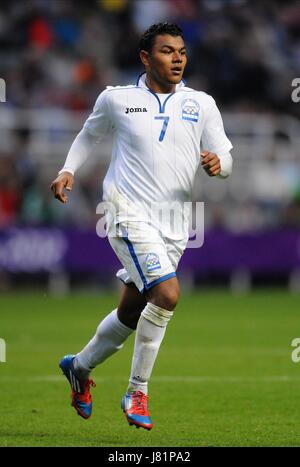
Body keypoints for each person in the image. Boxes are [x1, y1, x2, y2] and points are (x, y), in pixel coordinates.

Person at [50, 22, 233, 431]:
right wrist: (67, 170)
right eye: (167, 51)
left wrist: (220, 167)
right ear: (146, 58)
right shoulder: (117, 99)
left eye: (182, 51)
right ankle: (137, 390)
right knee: (167, 294)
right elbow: (88, 135)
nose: (178, 58)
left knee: (132, 311)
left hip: (174, 223)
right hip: (125, 211)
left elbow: (224, 153)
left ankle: (78, 368)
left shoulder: (201, 104)